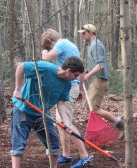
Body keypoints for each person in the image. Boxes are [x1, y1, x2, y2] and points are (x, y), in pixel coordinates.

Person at [11, 56, 85, 168]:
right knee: (19, 145)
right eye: (76, 75)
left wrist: (67, 123)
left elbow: (61, 103)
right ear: (69, 70)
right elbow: (21, 66)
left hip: (42, 114)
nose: (76, 78)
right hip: (23, 109)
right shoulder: (46, 68)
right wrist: (17, 89)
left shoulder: (66, 84)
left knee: (54, 144)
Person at [40, 28, 93, 168]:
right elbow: (80, 68)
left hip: (69, 86)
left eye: (48, 47)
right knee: (61, 122)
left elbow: (45, 58)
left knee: (66, 122)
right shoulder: (71, 45)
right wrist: (80, 88)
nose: (49, 49)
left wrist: (44, 51)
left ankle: (85, 156)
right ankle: (66, 155)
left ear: (51, 41)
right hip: (72, 85)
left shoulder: (61, 44)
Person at [78, 24, 124, 138]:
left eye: (84, 33)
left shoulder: (96, 45)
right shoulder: (93, 45)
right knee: (90, 107)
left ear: (90, 32)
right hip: (96, 81)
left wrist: (87, 75)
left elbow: (100, 66)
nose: (82, 35)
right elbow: (95, 64)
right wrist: (85, 70)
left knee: (94, 108)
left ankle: (119, 122)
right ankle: (99, 131)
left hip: (99, 81)